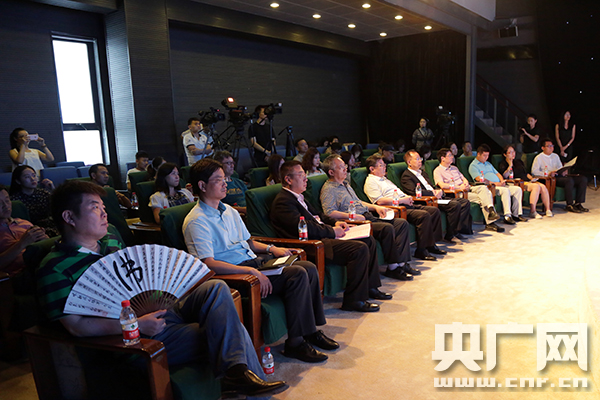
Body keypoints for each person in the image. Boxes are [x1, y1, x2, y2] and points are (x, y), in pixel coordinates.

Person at [36, 180, 285, 397]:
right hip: (135, 337)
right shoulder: (55, 268)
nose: (105, 214)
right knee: (229, 331)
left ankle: (238, 377)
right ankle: (243, 379)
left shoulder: (110, 240)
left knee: (216, 288)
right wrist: (137, 324)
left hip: (164, 309)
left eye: (103, 207)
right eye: (94, 208)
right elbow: (76, 326)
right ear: (69, 217)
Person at [183, 159, 339, 363]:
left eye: (224, 179)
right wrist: (251, 272)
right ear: (202, 186)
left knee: (308, 267)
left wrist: (272, 248)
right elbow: (207, 263)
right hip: (236, 275)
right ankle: (295, 344)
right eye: (218, 180)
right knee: (297, 274)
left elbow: (248, 241)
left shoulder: (229, 210)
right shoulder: (196, 220)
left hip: (255, 263)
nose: (225, 184)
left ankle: (310, 332)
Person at [271, 160, 388, 310]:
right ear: (288, 179)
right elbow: (305, 228)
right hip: (312, 244)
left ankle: (370, 287)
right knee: (358, 249)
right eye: (300, 175)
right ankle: (353, 300)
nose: (306, 179)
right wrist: (332, 231)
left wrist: (336, 223)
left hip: (323, 236)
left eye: (305, 174)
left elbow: (319, 216)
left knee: (368, 240)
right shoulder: (283, 201)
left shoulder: (298, 197)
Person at [321, 155, 417, 278]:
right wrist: (353, 216)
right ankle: (393, 267)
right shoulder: (329, 189)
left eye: (345, 166)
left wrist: (376, 207)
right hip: (356, 222)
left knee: (401, 223)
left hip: (367, 215)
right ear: (331, 172)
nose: (345, 169)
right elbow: (329, 212)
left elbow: (359, 202)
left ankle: (402, 263)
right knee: (386, 228)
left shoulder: (345, 184)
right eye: (341, 167)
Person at [361, 154, 446, 261]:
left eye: (384, 165)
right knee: (423, 215)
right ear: (372, 169)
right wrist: (402, 200)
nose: (385, 167)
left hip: (404, 203)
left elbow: (398, 192)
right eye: (381, 165)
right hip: (395, 208)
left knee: (433, 210)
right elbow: (379, 201)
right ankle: (421, 250)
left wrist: (407, 198)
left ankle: (431, 245)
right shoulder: (371, 182)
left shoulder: (384, 179)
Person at [400, 151, 472, 242]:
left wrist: (438, 191)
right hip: (428, 200)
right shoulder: (407, 176)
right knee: (454, 205)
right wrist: (433, 193)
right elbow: (413, 192)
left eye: (420, 158)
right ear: (409, 162)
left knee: (464, 202)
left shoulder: (422, 173)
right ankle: (450, 235)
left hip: (436, 197)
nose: (420, 161)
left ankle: (458, 230)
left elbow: (431, 186)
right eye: (417, 159)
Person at [433, 148, 504, 233]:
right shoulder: (437, 171)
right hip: (457, 192)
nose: (452, 157)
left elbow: (464, 179)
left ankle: (491, 209)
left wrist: (465, 183)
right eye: (450, 155)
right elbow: (442, 185)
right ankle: (490, 222)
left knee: (483, 188)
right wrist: (459, 187)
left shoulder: (454, 168)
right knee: (485, 196)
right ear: (442, 158)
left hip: (467, 188)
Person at [468, 144, 525, 225]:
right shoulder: (473, 166)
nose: (486, 158)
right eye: (484, 155)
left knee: (517, 189)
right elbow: (480, 179)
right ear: (478, 154)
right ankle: (507, 216)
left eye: (487, 155)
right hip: (490, 187)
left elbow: (497, 174)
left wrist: (502, 181)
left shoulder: (488, 164)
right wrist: (496, 184)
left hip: (499, 185)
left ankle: (516, 214)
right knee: (505, 191)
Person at [0, 186, 48, 278]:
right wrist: (22, 243)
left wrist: (45, 240)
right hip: (20, 276)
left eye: (7, 200)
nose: (6, 206)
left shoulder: (24, 223)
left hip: (43, 265)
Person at [531, 139, 588, 213]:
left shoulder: (555, 156)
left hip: (559, 175)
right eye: (549, 146)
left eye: (552, 146)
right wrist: (548, 173)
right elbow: (534, 171)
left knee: (582, 179)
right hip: (550, 178)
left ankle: (578, 203)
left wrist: (563, 171)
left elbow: (560, 167)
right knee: (569, 180)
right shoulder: (539, 158)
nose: (551, 148)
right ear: (543, 148)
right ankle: (569, 204)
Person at [498, 145, 552, 219]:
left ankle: (548, 209)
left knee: (543, 186)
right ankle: (533, 211)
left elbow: (525, 173)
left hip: (527, 181)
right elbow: (504, 176)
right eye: (510, 152)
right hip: (517, 183)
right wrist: (510, 165)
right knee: (536, 187)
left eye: (513, 151)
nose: (513, 154)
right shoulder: (503, 164)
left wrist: (532, 178)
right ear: (505, 154)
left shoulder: (519, 162)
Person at [9, 165, 59, 237]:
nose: (32, 179)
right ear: (18, 181)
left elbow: (58, 206)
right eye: (27, 177)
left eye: (34, 175)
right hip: (32, 231)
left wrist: (53, 189)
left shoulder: (43, 193)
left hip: (52, 225)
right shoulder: (15, 200)